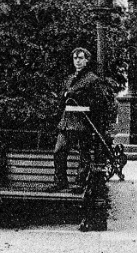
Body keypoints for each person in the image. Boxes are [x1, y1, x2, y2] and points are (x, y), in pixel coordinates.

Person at [49, 47, 116, 192]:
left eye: (80, 58)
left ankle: (80, 183)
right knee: (58, 151)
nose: (77, 61)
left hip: (83, 122)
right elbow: (62, 100)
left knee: (83, 154)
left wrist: (78, 97)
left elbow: (99, 103)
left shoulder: (92, 80)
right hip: (66, 121)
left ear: (87, 60)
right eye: (75, 58)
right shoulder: (69, 79)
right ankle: (60, 182)